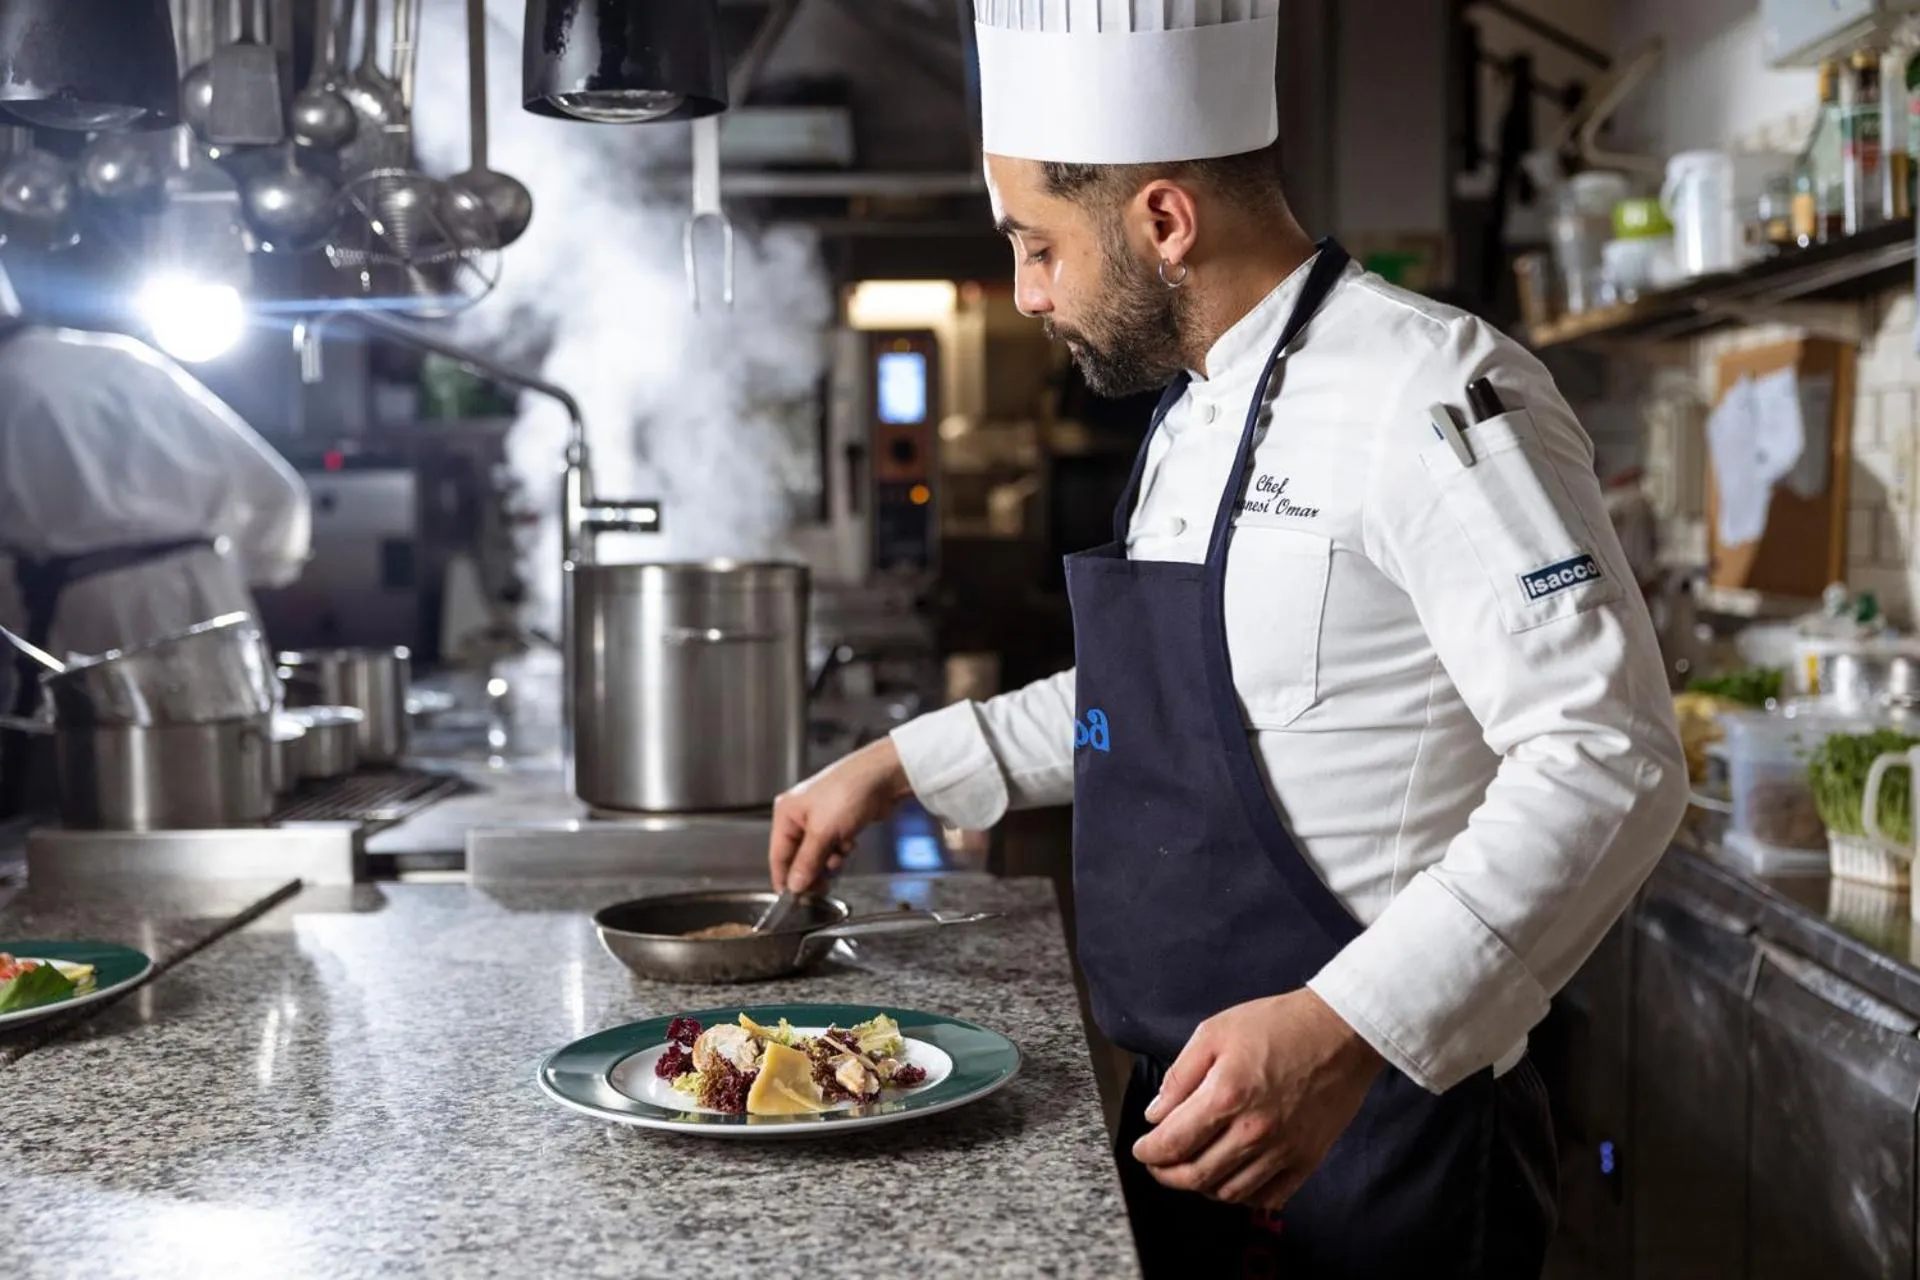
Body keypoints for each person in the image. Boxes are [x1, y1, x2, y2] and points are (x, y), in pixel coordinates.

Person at [768, 3, 1688, 1276]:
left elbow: (1610, 756)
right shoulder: (1193, 413)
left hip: (1381, 1122)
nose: (1027, 292)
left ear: (1162, 219)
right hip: (1197, 1106)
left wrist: (1343, 1026)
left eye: (1038, 245)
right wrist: (901, 761)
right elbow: (1182, 693)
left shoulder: (1435, 394)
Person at [0, 257, 310, 813]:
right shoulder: (117, 356)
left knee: (116, 801)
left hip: (90, 616)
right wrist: (246, 571)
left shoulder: (11, 382)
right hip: (211, 598)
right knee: (238, 785)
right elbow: (276, 489)